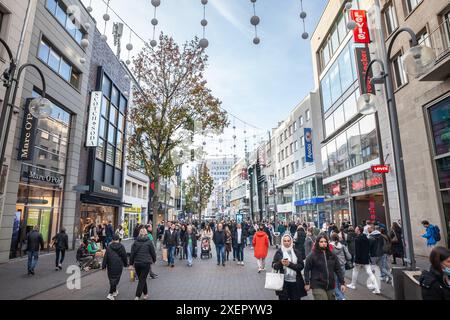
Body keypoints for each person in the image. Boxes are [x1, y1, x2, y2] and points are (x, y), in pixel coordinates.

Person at [304, 235, 346, 300]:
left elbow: (338, 269)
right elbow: (306, 269)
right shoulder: (312, 255)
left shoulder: (332, 255)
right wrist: (307, 282)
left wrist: (342, 283)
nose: (323, 243)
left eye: (325, 242)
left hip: (330, 285)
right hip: (317, 285)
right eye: (321, 242)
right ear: (317, 243)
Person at [272, 234, 308, 300]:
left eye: (288, 241)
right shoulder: (279, 252)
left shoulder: (296, 252)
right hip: (283, 283)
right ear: (282, 242)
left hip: (295, 283)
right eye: (285, 241)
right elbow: (274, 266)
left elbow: (301, 266)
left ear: (291, 241)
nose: (286, 242)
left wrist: (289, 264)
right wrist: (281, 263)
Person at [346, 226, 381, 295]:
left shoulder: (357, 239)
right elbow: (368, 248)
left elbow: (357, 251)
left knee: (355, 271)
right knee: (370, 273)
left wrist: (355, 260)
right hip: (366, 258)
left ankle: (353, 284)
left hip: (359, 259)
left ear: (358, 230)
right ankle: (377, 289)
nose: (355, 229)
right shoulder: (367, 238)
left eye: (356, 229)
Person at [129, 228, 157, 300]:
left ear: (139, 233)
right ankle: (137, 295)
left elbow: (132, 254)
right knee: (142, 279)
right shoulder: (149, 242)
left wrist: (131, 264)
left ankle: (146, 294)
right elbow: (153, 252)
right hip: (146, 263)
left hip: (137, 263)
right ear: (146, 233)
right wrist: (154, 260)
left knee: (142, 278)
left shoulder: (135, 242)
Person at [102, 234, 128, 300]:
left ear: (112, 240)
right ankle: (110, 294)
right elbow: (124, 256)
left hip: (110, 265)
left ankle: (114, 291)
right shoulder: (121, 246)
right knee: (116, 278)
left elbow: (106, 257)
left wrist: (103, 266)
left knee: (112, 278)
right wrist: (126, 264)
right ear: (118, 239)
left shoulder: (109, 247)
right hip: (119, 265)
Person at [330, 233, 352, 300]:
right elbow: (349, 257)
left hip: (334, 267)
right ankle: (341, 297)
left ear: (331, 238)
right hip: (342, 266)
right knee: (341, 283)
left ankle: (341, 298)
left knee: (335, 284)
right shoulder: (342, 246)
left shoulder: (330, 246)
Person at [368, 225, 385, 291]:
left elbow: (369, 247)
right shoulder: (380, 236)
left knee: (373, 272)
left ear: (372, 229)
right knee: (378, 271)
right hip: (380, 254)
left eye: (369, 228)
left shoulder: (371, 237)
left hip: (373, 255)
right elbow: (382, 244)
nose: (368, 229)